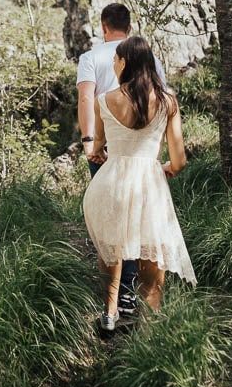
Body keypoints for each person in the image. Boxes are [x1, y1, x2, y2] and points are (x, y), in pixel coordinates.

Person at [82, 36, 196, 332]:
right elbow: (180, 160)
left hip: (113, 183)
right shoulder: (168, 102)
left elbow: (97, 148)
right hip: (149, 187)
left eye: (115, 61)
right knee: (151, 261)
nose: (113, 65)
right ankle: (149, 332)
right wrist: (167, 167)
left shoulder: (104, 101)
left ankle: (109, 313)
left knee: (111, 247)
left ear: (125, 62)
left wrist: (97, 153)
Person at [77, 3, 166, 317]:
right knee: (140, 220)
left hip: (109, 151)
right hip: (143, 154)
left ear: (104, 26)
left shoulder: (91, 58)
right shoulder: (149, 58)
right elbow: (162, 101)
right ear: (129, 26)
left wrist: (90, 143)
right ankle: (136, 295)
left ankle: (119, 297)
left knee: (112, 220)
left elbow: (87, 98)